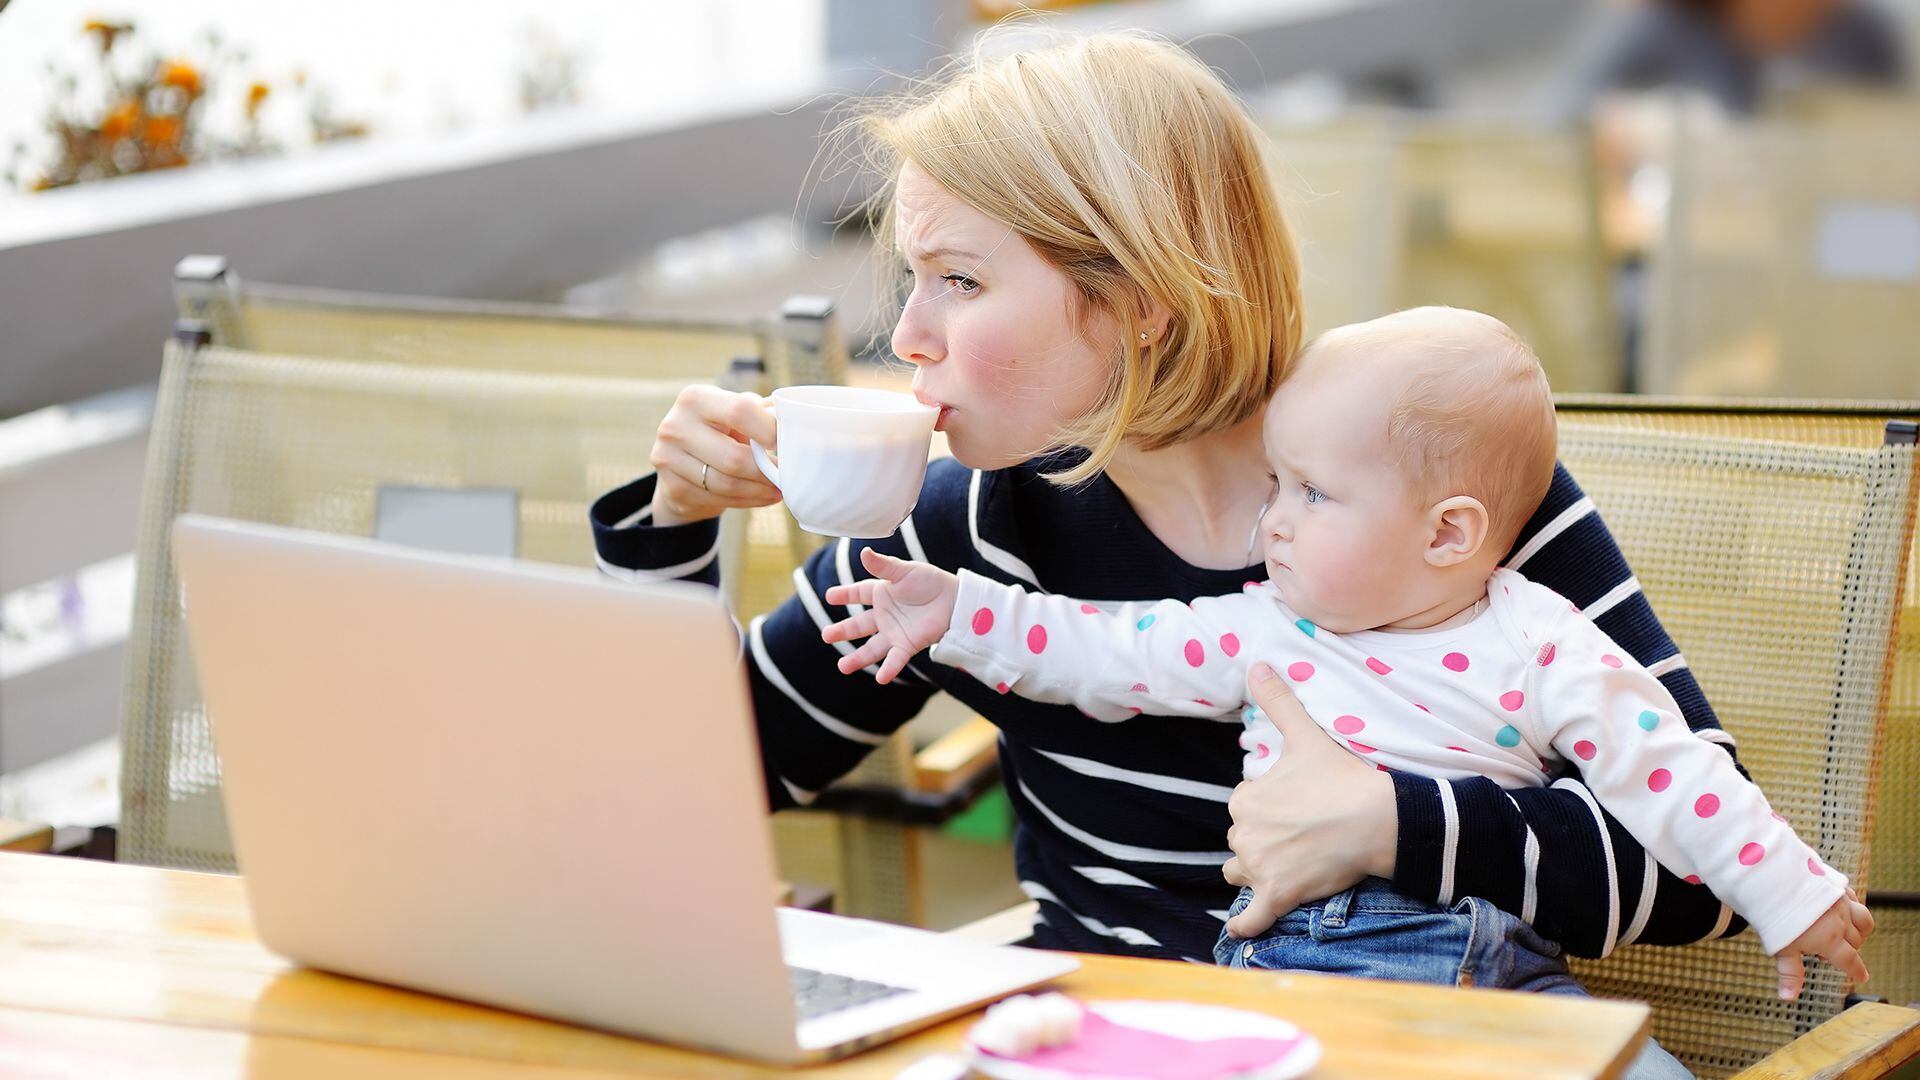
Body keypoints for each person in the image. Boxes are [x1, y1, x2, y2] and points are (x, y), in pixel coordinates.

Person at [591, 30, 1727, 1077]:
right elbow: (670, 798)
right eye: (915, 278)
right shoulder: (962, 534)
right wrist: (678, 527)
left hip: (1417, 1044)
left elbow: (1701, 873)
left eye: (962, 281)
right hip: (1093, 1044)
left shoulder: (1441, 509)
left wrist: (1392, 822)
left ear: (1138, 297)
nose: (909, 336)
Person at [816, 305, 1875, 1001]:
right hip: (1296, 968)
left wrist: (1795, 896)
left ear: (1448, 534)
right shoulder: (1264, 626)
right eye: (1277, 484)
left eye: (1311, 495)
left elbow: (1677, 779)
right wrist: (953, 611)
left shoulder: (1542, 638)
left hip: (1498, 968)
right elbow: (1102, 651)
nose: (1270, 522)